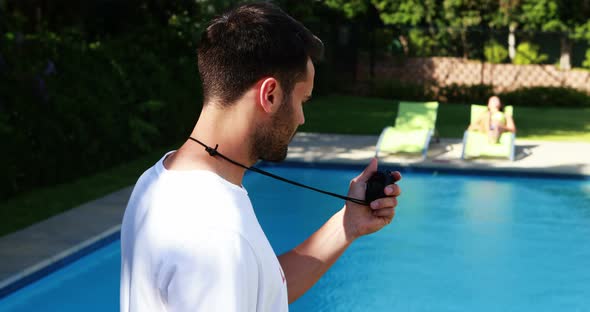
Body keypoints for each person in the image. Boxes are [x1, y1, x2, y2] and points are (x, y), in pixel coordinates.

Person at [119, 2, 401, 312]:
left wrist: (348, 223)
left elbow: (262, 291)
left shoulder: (157, 181)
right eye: (302, 100)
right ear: (270, 95)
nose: (302, 119)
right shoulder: (219, 234)